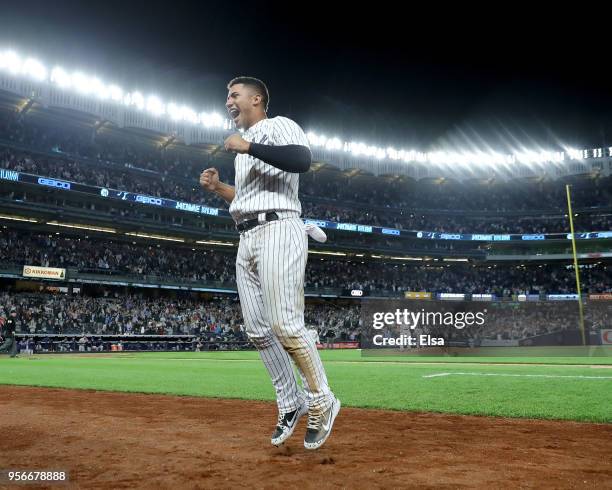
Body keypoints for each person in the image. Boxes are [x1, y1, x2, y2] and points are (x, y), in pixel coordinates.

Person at [200, 77, 340, 450]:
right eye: (227, 95)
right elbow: (247, 199)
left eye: (234, 94)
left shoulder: (278, 126)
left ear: (256, 98)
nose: (228, 100)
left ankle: (322, 401)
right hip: (247, 236)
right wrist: (219, 189)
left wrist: (248, 145)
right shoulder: (246, 151)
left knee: (286, 326)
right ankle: (290, 402)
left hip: (280, 230)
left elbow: (302, 160)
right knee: (259, 330)